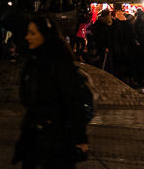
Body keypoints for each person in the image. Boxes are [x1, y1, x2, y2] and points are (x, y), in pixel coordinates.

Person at [13, 15, 90, 167]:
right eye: (28, 32)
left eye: (33, 33)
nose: (28, 37)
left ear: (45, 34)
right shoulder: (33, 61)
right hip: (35, 133)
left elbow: (73, 100)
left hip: (57, 137)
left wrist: (80, 137)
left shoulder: (59, 62)